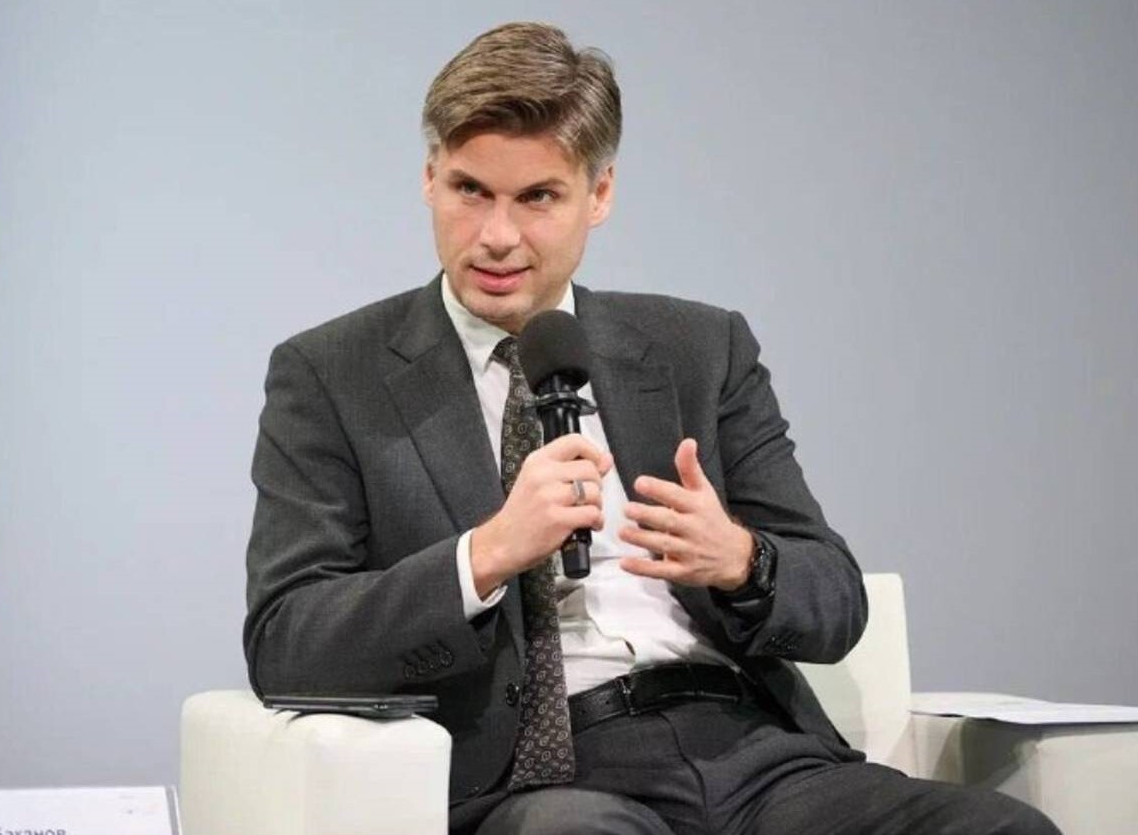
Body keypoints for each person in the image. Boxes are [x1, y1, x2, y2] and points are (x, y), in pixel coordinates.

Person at [243, 21, 1058, 835]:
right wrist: (485, 554)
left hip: (757, 756)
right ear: (428, 178)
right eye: (470, 191)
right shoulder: (332, 374)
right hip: (545, 780)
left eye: (537, 197)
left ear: (598, 195)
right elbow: (286, 640)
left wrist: (742, 559)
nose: (496, 235)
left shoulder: (698, 349)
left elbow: (836, 601)